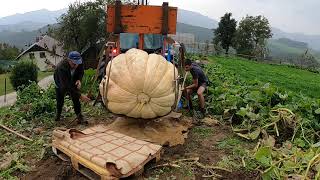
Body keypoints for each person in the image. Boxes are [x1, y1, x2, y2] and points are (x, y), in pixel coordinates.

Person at [54, 51, 89, 123]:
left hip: (72, 80)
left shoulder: (79, 63)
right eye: (74, 64)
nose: (76, 66)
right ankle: (58, 115)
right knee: (60, 100)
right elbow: (66, 86)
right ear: (69, 60)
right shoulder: (61, 68)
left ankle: (79, 116)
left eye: (77, 63)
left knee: (76, 99)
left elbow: (81, 72)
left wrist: (79, 79)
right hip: (60, 83)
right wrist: (80, 95)